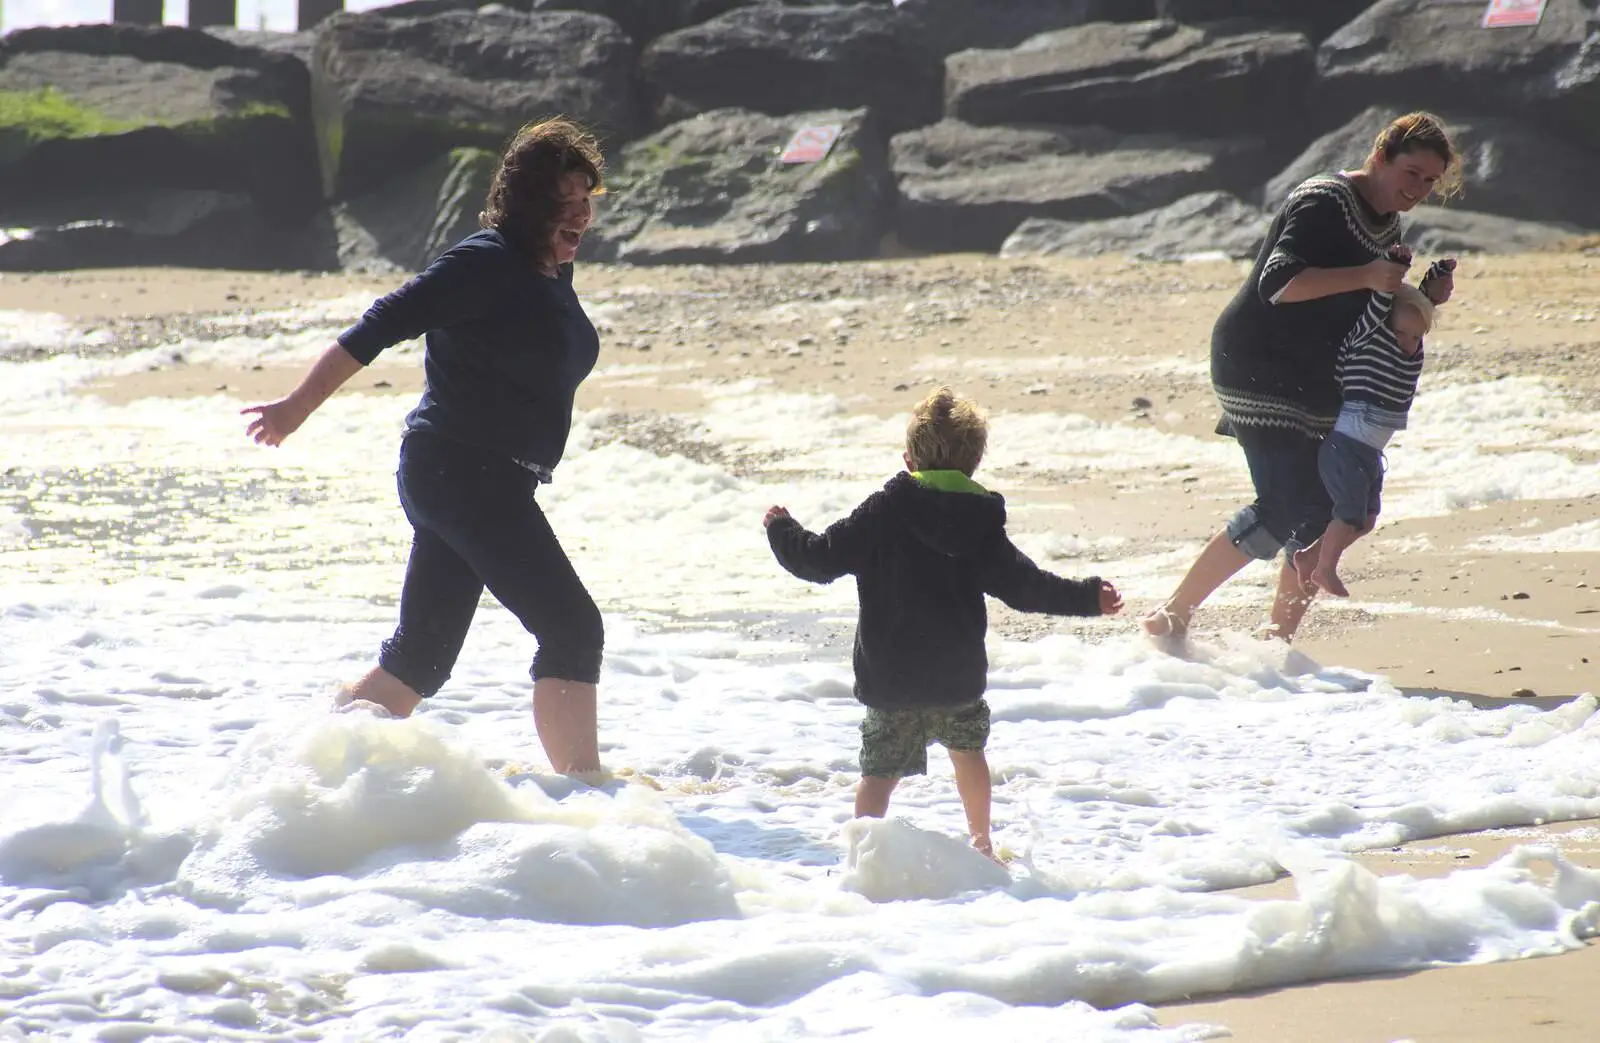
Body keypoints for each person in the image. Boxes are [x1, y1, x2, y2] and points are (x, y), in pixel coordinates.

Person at [242, 118, 608, 775]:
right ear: (528, 201)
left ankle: (306, 771)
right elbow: (381, 323)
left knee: (421, 659)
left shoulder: (547, 273)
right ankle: (587, 796)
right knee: (573, 629)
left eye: (587, 198)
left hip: (476, 476)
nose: (581, 213)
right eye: (565, 199)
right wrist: (295, 408)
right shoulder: (485, 261)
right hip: (464, 471)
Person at [1142, 111, 1461, 645]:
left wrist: (1423, 300)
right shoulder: (1323, 200)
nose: (1419, 189)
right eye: (1412, 173)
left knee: (1328, 507)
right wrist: (1365, 274)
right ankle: (1171, 614)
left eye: (1430, 181)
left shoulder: (1387, 222)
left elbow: (1367, 307)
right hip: (1257, 361)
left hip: (1317, 373)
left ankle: (1276, 644)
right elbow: (1279, 282)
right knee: (1283, 503)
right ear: (1380, 157)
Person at [762, 387, 1123, 859]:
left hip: (892, 680)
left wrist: (781, 528)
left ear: (909, 459)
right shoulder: (980, 524)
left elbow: (819, 560)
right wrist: (1087, 597)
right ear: (974, 463)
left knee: (878, 776)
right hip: (957, 680)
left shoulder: (884, 511)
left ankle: (862, 860)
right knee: (968, 757)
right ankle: (982, 843)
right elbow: (1025, 586)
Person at [1295, 272, 1442, 597]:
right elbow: (1382, 305)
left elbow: (1422, 309)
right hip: (1345, 448)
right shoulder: (1367, 339)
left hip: (1370, 453)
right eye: (1401, 334)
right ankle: (1324, 569)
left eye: (1416, 337)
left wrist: (1438, 278)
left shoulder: (1408, 356)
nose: (1408, 343)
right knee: (1347, 515)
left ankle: (1309, 558)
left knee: (1366, 520)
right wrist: (1396, 266)